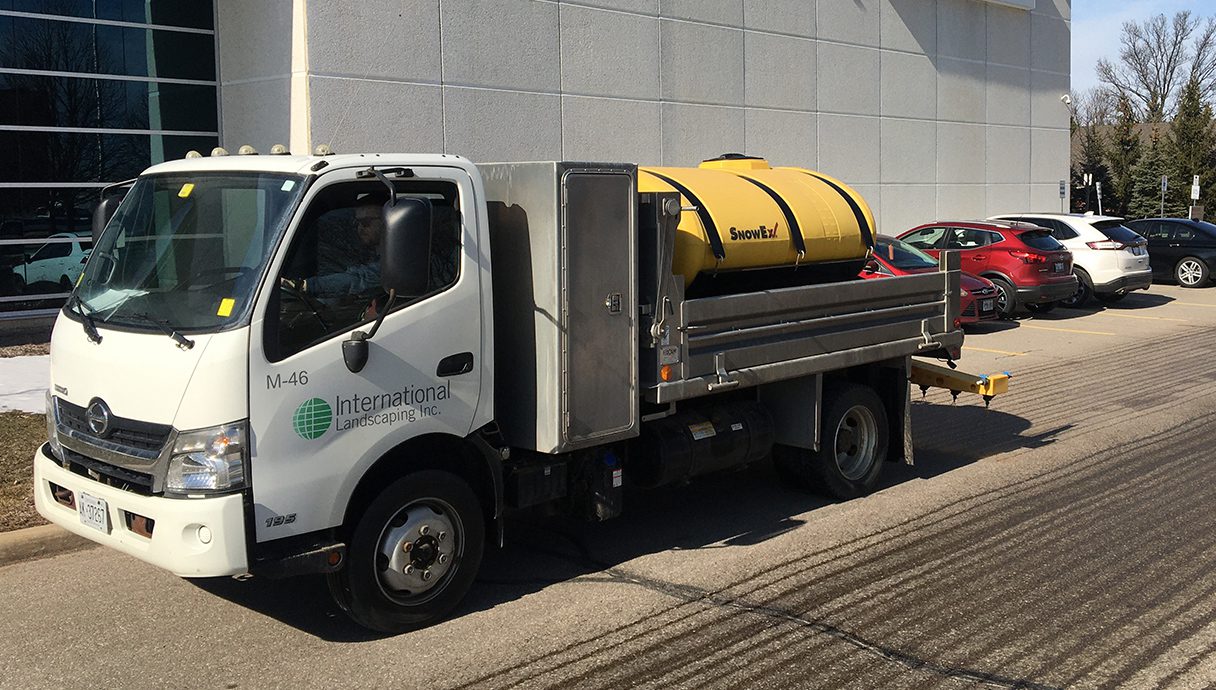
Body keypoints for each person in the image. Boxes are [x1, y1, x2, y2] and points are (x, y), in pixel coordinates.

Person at [282, 195, 383, 296]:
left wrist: (303, 286)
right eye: (357, 222)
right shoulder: (362, 251)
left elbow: (359, 279)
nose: (360, 228)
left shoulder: (394, 258)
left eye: (366, 223)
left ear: (388, 221)